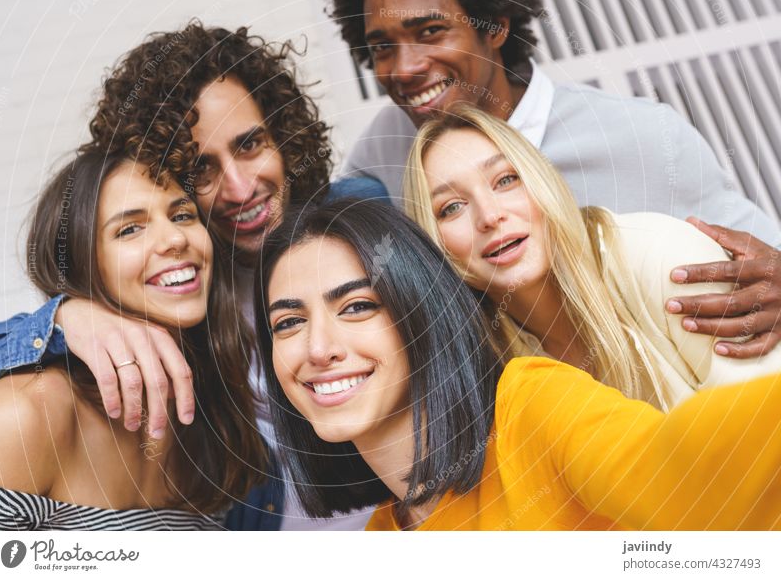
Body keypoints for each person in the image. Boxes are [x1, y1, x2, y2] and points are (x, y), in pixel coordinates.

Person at [0, 22, 381, 530]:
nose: (239, 188)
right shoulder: (182, 325)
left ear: (284, 137)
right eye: (201, 170)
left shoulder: (365, 222)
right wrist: (62, 317)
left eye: (251, 144)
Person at [254, 198, 781, 530]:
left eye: (357, 307)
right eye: (288, 323)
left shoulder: (531, 407)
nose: (318, 348)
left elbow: (682, 474)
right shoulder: (381, 538)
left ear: (422, 316)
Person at [327, 0, 781, 359]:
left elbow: (761, 259)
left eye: (430, 31)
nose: (405, 68)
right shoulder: (378, 163)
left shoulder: (640, 138)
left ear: (495, 26)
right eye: (383, 46)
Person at [403, 103, 781, 410]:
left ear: (543, 180)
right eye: (451, 207)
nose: (489, 216)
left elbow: (762, 429)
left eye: (506, 180)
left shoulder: (662, 254)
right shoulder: (482, 368)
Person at [0, 151, 266, 530]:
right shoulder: (25, 414)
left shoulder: (218, 417)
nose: (175, 238)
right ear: (83, 264)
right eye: (129, 229)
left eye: (182, 215)